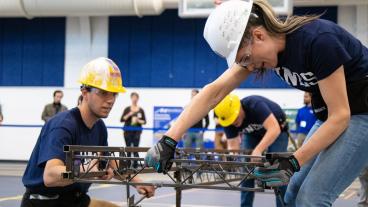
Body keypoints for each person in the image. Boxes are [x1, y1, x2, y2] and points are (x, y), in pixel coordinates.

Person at [145, 0, 368, 206]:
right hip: (332, 114)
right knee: (291, 191)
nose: (249, 67)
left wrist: (292, 162)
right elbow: (214, 91)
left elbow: (340, 116)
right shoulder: (265, 49)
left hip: (360, 113)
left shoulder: (318, 41)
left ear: (259, 35)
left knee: (312, 198)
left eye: (245, 58)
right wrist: (169, 139)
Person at [21, 57, 154, 207]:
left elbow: (109, 161)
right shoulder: (63, 126)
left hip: (75, 199)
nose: (110, 100)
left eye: (114, 94)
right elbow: (51, 176)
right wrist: (86, 169)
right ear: (85, 92)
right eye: (103, 93)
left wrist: (137, 181)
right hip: (46, 202)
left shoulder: (99, 127)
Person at [215, 94, 288, 207]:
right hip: (252, 134)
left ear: (239, 108)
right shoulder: (227, 119)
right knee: (246, 170)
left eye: (234, 118)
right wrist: (233, 160)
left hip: (277, 128)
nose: (233, 122)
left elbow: (274, 129)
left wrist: (258, 150)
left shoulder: (254, 105)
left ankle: (283, 205)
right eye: (230, 120)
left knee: (278, 171)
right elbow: (233, 147)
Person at [120, 92, 146, 167]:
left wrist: (138, 120)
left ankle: (135, 165)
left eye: (136, 97)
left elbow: (144, 121)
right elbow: (122, 119)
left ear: (138, 99)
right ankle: (127, 165)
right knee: (128, 148)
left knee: (135, 148)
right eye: (133, 97)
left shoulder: (141, 110)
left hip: (137, 132)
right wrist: (129, 114)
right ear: (131, 98)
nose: (134, 99)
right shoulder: (127, 109)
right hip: (127, 131)